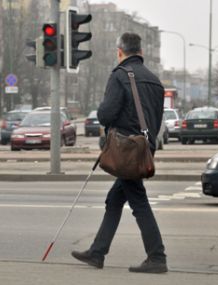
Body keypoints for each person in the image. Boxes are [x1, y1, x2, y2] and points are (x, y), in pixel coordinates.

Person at [71, 32, 167, 273]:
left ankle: (157, 257)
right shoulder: (155, 80)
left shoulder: (120, 75)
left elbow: (106, 115)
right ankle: (97, 252)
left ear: (119, 52)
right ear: (141, 52)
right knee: (114, 200)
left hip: (126, 150)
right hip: (145, 147)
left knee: (139, 201)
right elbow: (157, 118)